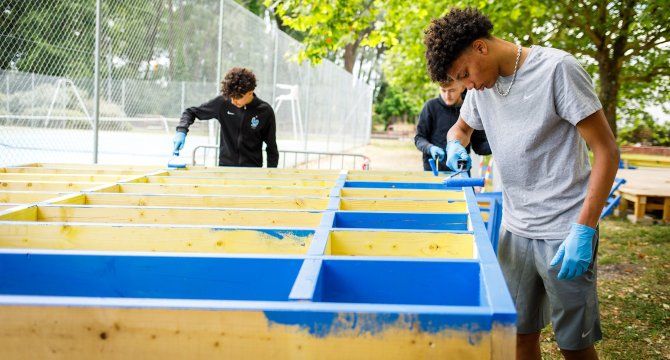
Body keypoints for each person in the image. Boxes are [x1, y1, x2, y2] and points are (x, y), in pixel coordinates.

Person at [424, 7, 619, 360]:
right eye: (459, 80)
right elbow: (462, 128)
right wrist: (455, 144)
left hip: (565, 229)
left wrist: (584, 229)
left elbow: (606, 151)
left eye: (465, 74)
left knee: (573, 344)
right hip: (515, 230)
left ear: (481, 47)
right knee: (515, 333)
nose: (468, 86)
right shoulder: (480, 88)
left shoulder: (558, 70)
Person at [173, 67, 278, 167]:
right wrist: (181, 131)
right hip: (225, 168)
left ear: (250, 92)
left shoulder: (265, 111)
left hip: (252, 171)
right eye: (231, 97)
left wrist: (271, 175)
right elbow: (190, 112)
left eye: (237, 97)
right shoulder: (223, 103)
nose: (233, 101)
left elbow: (272, 148)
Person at [414, 78, 491, 172]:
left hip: (461, 171)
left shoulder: (471, 110)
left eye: (452, 90)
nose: (447, 96)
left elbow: (479, 146)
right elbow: (419, 138)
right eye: (443, 90)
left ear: (463, 87)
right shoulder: (430, 107)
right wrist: (430, 148)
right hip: (434, 171)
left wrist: (496, 146)